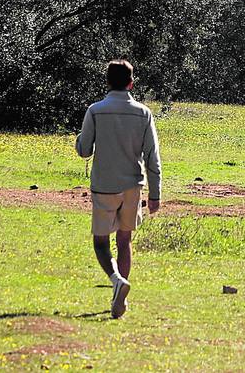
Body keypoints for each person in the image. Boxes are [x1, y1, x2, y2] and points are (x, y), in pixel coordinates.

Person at [76, 59, 162, 320]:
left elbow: (84, 151)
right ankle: (119, 293)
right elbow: (152, 157)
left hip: (104, 185)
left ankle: (115, 281)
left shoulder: (95, 110)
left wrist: (80, 138)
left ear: (107, 82)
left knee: (101, 242)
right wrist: (155, 194)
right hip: (133, 186)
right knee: (124, 241)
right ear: (131, 83)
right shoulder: (143, 113)